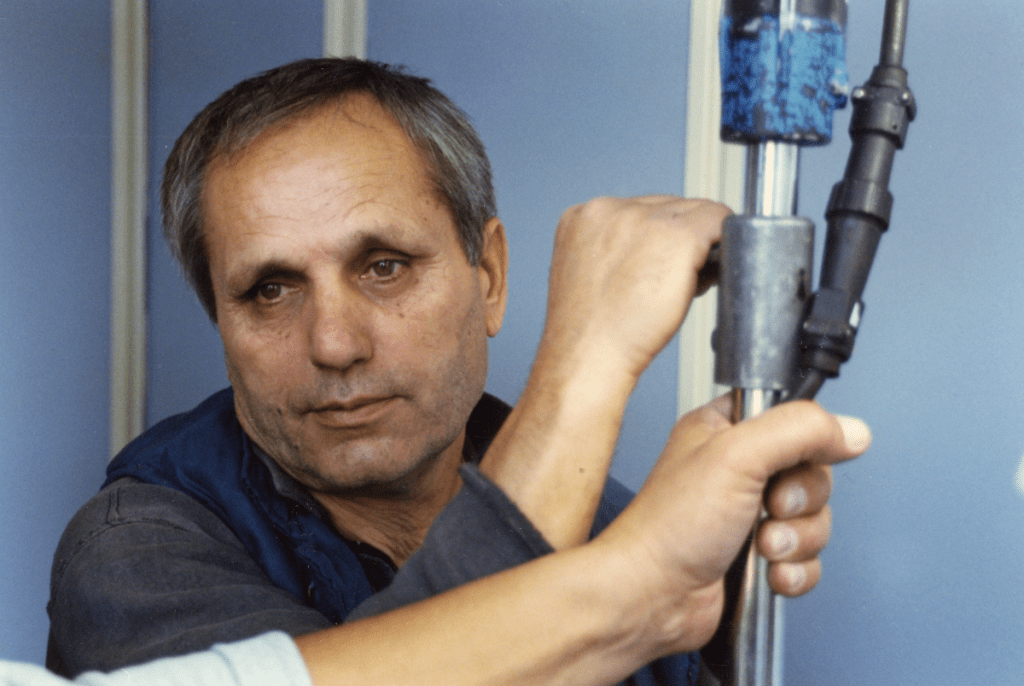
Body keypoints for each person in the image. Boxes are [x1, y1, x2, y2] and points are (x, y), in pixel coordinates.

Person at [46, 58, 869, 685]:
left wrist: (711, 601)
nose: (334, 343)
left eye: (385, 267)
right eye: (270, 289)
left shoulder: (611, 522)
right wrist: (583, 368)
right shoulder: (135, 557)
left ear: (491, 277)